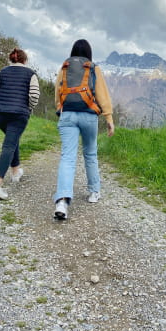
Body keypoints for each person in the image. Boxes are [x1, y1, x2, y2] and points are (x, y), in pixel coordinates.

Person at [53, 39, 114, 220]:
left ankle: (62, 202)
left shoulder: (64, 66)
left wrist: (59, 109)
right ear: (89, 52)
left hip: (68, 115)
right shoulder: (93, 67)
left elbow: (58, 90)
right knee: (90, 153)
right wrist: (108, 117)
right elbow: (102, 94)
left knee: (68, 157)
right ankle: (94, 192)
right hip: (89, 116)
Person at [0, 48, 40, 200]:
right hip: (19, 115)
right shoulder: (31, 74)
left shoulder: (2, 72)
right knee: (9, 145)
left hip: (0, 115)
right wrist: (29, 106)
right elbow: (34, 96)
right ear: (25, 60)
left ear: (11, 60)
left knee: (12, 139)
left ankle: (16, 171)